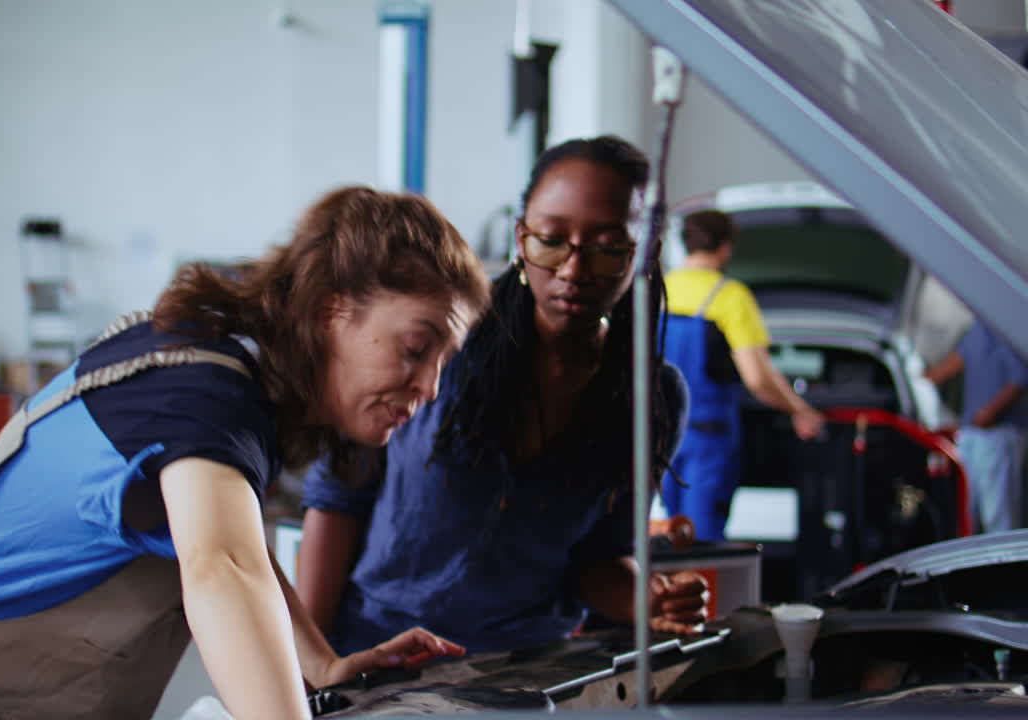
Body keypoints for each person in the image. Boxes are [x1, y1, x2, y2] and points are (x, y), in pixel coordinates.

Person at [0, 186, 489, 720]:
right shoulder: (203, 392)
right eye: (416, 346)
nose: (428, 388)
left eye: (444, 365)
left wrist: (318, 663)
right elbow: (220, 568)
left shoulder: (220, 370)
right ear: (334, 311)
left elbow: (237, 544)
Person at [297, 136, 707, 657]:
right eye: (551, 240)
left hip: (522, 674)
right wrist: (309, 668)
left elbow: (599, 559)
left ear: (645, 250)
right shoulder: (443, 340)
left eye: (608, 248)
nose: (573, 271)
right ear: (520, 238)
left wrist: (648, 598)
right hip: (380, 656)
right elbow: (339, 496)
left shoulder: (652, 397)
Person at [661, 209, 825, 542]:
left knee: (667, 535)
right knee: (702, 542)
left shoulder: (658, 290)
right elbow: (759, 381)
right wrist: (800, 410)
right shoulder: (730, 298)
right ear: (725, 248)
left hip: (660, 437)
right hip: (709, 440)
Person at [924, 317, 1028, 533]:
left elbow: (1019, 381)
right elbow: (957, 360)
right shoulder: (979, 328)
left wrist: (989, 412)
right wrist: (922, 380)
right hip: (971, 433)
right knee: (966, 511)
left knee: (998, 514)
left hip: (998, 434)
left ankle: (1005, 563)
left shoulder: (1011, 328)